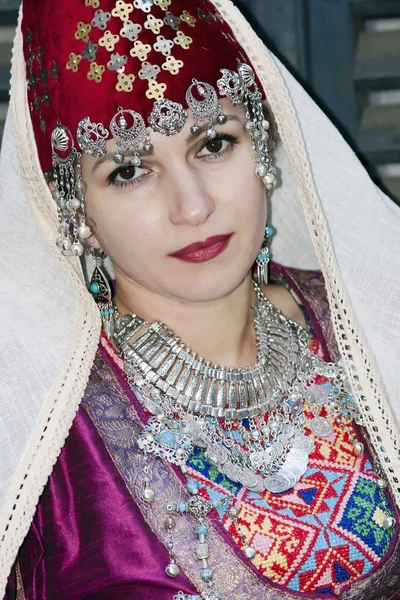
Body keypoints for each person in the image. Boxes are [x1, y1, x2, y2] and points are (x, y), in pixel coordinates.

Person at [1, 0, 400, 598]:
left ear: (261, 146)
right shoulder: (40, 430)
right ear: (74, 206)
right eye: (129, 170)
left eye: (213, 143)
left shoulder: (370, 327)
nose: (194, 207)